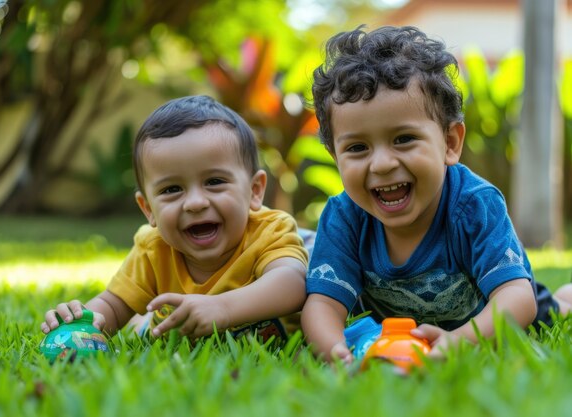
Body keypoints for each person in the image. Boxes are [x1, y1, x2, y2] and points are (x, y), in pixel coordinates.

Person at [300, 25, 572, 363]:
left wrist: (459, 341)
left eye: (403, 139)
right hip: (408, 333)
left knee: (557, 309)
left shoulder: (474, 205)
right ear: (335, 157)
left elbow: (517, 298)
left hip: (497, 313)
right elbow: (322, 303)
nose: (382, 164)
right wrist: (335, 351)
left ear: (450, 143)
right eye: (357, 147)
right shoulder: (344, 218)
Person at [41, 95, 308, 342]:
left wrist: (222, 308)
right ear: (148, 209)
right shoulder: (153, 249)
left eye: (214, 182)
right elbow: (113, 305)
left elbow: (292, 284)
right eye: (171, 189)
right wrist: (81, 321)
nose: (194, 203)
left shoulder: (269, 232)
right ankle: (144, 319)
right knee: (149, 327)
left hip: (304, 252)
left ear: (254, 190)